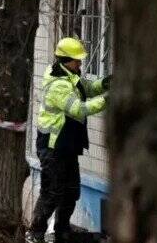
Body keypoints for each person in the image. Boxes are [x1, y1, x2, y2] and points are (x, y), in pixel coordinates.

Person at [29, 37, 112, 243]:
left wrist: (106, 83)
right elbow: (78, 109)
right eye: (77, 60)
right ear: (66, 60)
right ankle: (36, 233)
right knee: (52, 192)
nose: (80, 63)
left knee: (71, 192)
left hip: (67, 145)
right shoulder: (58, 84)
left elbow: (88, 88)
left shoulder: (70, 76)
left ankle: (62, 231)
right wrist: (107, 100)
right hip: (53, 146)